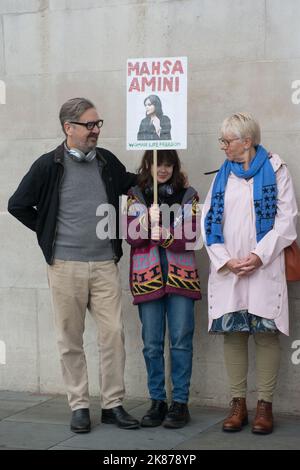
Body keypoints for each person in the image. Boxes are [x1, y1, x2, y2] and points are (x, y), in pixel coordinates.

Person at [8, 97, 140, 432]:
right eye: (89, 125)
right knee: (70, 339)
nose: (95, 130)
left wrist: (159, 162)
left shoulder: (106, 162)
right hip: (64, 265)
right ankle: (79, 405)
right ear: (69, 128)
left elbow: (132, 183)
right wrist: (47, 229)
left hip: (104, 264)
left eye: (98, 124)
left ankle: (113, 405)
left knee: (113, 335)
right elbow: (18, 204)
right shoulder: (48, 165)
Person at [201, 112, 298, 434]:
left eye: (227, 141)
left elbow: (287, 220)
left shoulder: (276, 169)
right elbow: (207, 220)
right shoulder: (221, 176)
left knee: (266, 333)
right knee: (234, 332)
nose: (224, 147)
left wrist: (258, 256)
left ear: (247, 141)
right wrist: (225, 260)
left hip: (263, 268)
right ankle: (238, 403)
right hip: (230, 269)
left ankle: (265, 405)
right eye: (223, 141)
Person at [126, 149, 201, 428]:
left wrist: (168, 236)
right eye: (158, 164)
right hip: (148, 277)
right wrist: (147, 220)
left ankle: (180, 403)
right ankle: (157, 401)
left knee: (181, 340)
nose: (163, 169)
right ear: (148, 164)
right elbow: (131, 236)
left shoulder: (188, 194)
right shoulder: (137, 194)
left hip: (181, 276)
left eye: (168, 165)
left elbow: (192, 233)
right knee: (152, 344)